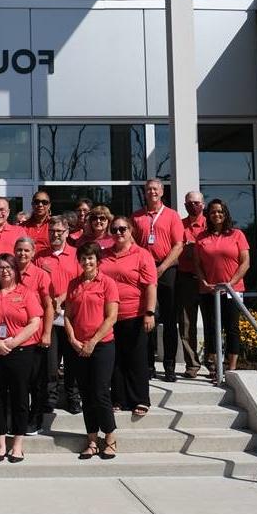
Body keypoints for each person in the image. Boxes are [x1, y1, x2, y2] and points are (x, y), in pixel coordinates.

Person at [63, 241, 120, 459]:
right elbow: (67, 315)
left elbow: (111, 317)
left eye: (91, 258)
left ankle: (110, 438)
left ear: (98, 261)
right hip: (78, 346)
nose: (87, 262)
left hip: (101, 345)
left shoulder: (107, 283)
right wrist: (73, 339)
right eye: (83, 258)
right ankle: (92, 440)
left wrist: (93, 341)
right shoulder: (74, 284)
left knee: (100, 392)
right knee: (86, 394)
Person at [0, 253, 42, 463]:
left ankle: (17, 445)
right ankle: (0, 445)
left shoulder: (25, 293)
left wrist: (12, 342)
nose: (5, 271)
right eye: (0, 268)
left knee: (19, 398)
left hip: (20, 352)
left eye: (9, 267)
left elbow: (34, 322)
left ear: (16, 270)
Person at [101, 215, 157, 416]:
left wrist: (149, 313)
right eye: (114, 229)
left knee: (136, 358)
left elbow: (150, 285)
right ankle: (119, 398)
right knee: (115, 359)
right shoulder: (103, 255)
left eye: (122, 229)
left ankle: (140, 399)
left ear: (131, 230)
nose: (118, 233)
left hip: (134, 313)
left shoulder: (142, 255)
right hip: (108, 316)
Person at [132, 178, 185, 381]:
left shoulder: (172, 216)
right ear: (144, 193)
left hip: (167, 270)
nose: (152, 192)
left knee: (170, 320)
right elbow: (133, 245)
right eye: (148, 189)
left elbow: (178, 245)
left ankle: (169, 366)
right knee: (148, 316)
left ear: (162, 192)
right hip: (145, 271)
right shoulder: (137, 217)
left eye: (155, 189)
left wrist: (162, 267)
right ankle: (148, 364)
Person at [194, 198, 251, 382]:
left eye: (220, 211)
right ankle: (215, 367)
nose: (216, 215)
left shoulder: (237, 235)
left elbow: (245, 263)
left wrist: (231, 283)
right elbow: (197, 264)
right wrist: (204, 282)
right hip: (209, 291)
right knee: (212, 328)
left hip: (232, 291)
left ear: (225, 213)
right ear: (207, 216)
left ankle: (231, 367)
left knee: (231, 327)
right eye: (212, 212)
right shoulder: (201, 237)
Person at [36, 215, 82, 413]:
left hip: (71, 315)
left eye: (59, 232)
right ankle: (50, 399)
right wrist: (49, 303)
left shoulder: (76, 255)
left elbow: (82, 283)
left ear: (67, 233)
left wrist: (62, 298)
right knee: (50, 362)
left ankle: (73, 398)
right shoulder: (39, 257)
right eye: (52, 231)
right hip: (49, 317)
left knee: (73, 360)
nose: (55, 235)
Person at [13, 236, 54, 433]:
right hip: (13, 337)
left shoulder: (40, 275)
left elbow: (48, 306)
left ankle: (35, 419)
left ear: (33, 252)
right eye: (19, 250)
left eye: (26, 250)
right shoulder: (8, 272)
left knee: (36, 383)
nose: (22, 253)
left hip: (35, 337)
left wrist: (46, 333)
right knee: (17, 383)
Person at [175, 191, 208, 378]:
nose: (192, 205)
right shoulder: (179, 226)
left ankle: (212, 362)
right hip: (186, 279)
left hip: (207, 280)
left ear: (202, 204)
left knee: (211, 322)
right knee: (186, 324)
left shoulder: (210, 225)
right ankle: (192, 364)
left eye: (196, 202)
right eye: (189, 203)